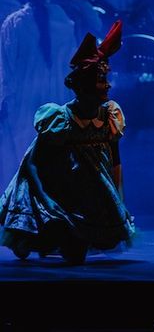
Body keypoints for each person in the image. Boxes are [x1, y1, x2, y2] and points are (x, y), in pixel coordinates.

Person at [0, 20, 135, 264]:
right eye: (100, 79)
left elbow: (115, 159)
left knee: (93, 242)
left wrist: (117, 198)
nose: (107, 85)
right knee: (66, 245)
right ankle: (34, 238)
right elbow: (32, 164)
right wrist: (47, 201)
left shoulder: (109, 117)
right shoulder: (61, 120)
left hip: (92, 195)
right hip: (61, 192)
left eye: (105, 78)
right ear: (83, 86)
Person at [0, 0, 77, 180]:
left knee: (25, 152)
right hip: (56, 97)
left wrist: (5, 99)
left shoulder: (14, 23)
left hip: (26, 100)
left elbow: (6, 68)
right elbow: (73, 64)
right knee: (53, 152)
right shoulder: (62, 19)